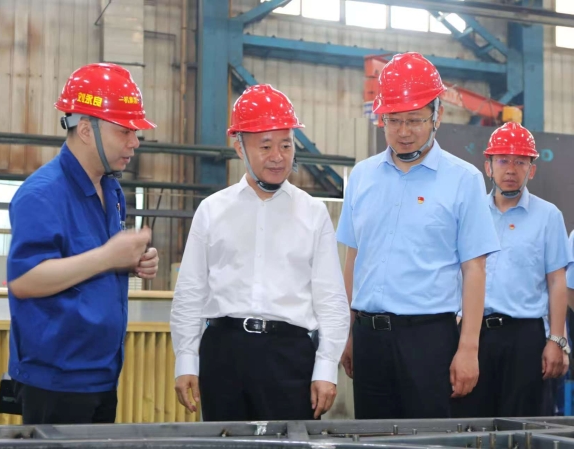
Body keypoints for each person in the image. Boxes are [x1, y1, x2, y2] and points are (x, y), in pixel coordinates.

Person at [170, 84, 350, 421]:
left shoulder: (313, 213)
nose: (278, 156)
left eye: (286, 144)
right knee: (226, 443)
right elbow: (191, 291)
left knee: (288, 443)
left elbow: (330, 298)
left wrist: (326, 367)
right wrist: (186, 359)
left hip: (290, 357)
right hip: (223, 354)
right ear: (239, 147)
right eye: (265, 146)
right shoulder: (212, 210)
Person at [336, 52, 500, 419]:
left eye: (414, 120)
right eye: (393, 120)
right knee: (372, 438)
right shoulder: (361, 177)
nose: (404, 131)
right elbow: (353, 259)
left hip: (429, 340)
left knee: (428, 437)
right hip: (368, 338)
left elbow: (475, 269)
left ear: (437, 115)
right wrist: (345, 332)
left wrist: (468, 349)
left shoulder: (464, 180)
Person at [7, 63, 159, 425]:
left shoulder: (111, 190)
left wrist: (131, 260)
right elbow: (24, 280)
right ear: (87, 130)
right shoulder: (42, 194)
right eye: (125, 131)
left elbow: (91, 262)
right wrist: (107, 256)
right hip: (56, 381)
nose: (135, 142)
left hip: (101, 374)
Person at [452, 122, 571, 417]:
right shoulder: (468, 212)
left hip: (525, 339)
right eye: (503, 160)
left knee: (524, 426)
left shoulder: (548, 216)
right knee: (470, 423)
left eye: (520, 162)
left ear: (532, 169)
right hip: (473, 335)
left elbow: (557, 282)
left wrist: (557, 340)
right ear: (488, 166)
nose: (511, 170)